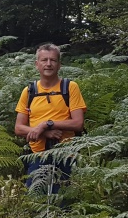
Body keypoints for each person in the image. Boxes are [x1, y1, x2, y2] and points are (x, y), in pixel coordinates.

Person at [14, 43, 87, 193]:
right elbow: (19, 127)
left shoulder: (70, 87)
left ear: (59, 65)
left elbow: (78, 123)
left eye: (53, 60)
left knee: (65, 201)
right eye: (44, 60)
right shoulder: (29, 91)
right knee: (35, 199)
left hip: (67, 154)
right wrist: (45, 133)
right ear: (37, 64)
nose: (48, 64)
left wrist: (47, 124)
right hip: (38, 155)